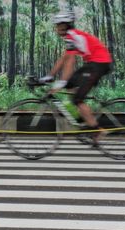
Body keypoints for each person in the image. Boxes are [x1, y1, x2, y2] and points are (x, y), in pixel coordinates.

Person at [39, 11, 112, 144]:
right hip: (93, 63)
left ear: (64, 26)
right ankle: (83, 121)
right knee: (70, 86)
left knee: (77, 99)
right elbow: (63, 59)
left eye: (58, 26)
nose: (56, 28)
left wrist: (60, 82)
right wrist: (49, 76)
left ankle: (97, 130)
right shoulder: (71, 37)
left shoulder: (71, 36)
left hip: (99, 64)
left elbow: (70, 62)